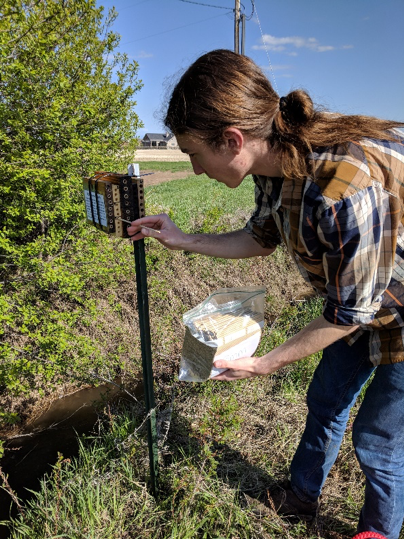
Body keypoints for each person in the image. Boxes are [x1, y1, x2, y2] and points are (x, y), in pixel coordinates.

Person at [128, 49, 404, 539]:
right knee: (324, 401)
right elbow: (261, 238)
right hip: (360, 301)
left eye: (194, 154)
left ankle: (377, 531)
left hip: (395, 315)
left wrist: (264, 362)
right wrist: (182, 237)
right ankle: (300, 496)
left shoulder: (345, 186)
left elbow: (349, 312)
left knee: (379, 440)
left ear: (233, 140)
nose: (193, 169)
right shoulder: (272, 168)